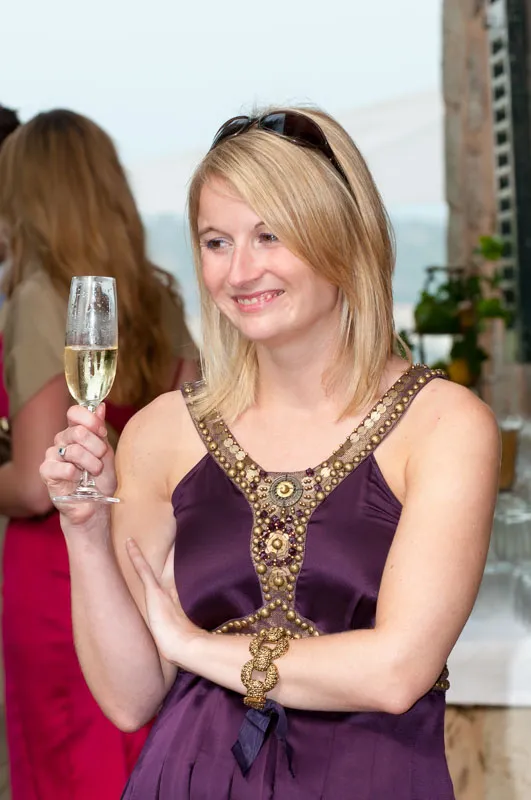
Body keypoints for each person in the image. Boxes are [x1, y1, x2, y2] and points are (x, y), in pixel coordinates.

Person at [40, 107, 500, 799]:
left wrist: (195, 647)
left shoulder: (443, 424)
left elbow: (396, 671)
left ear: (341, 239)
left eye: (269, 235)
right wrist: (84, 535)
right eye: (216, 241)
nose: (239, 271)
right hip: (189, 778)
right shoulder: (164, 432)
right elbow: (130, 698)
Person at [0, 108, 199, 800]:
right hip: (147, 558)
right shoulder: (158, 297)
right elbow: (192, 445)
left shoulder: (36, 297)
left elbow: (32, 484)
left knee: (66, 767)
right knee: (140, 756)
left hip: (63, 567)